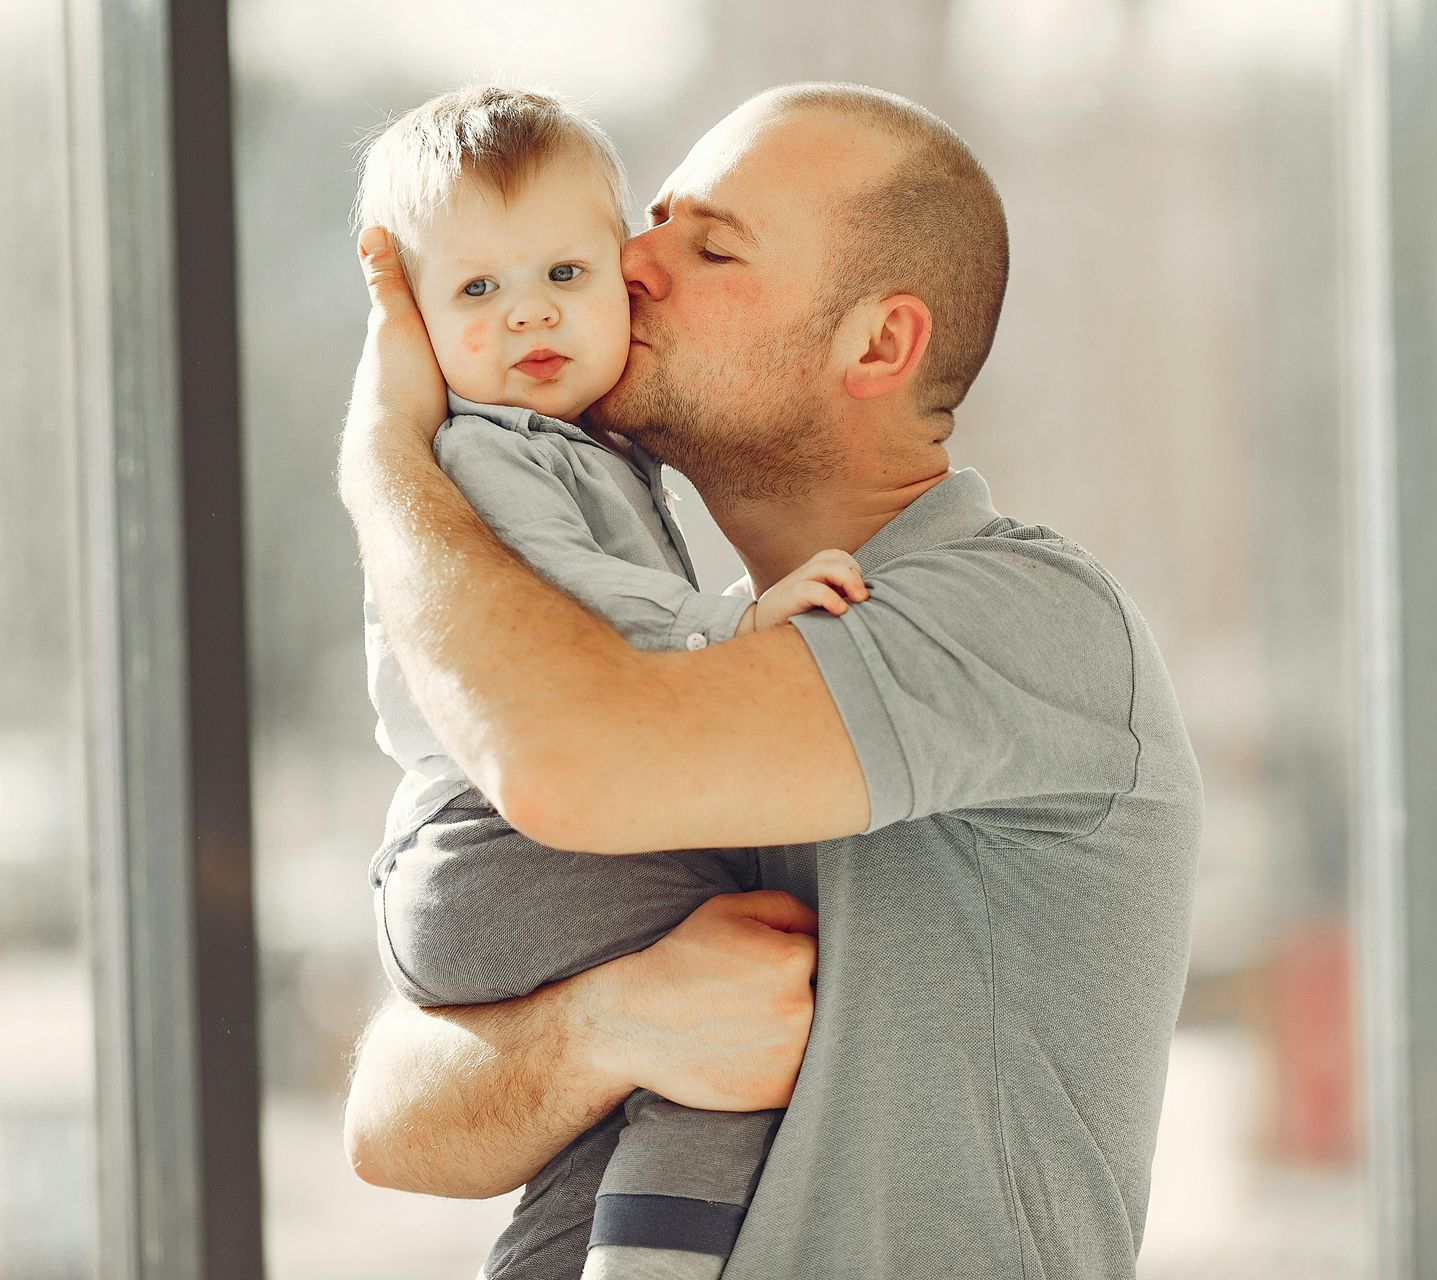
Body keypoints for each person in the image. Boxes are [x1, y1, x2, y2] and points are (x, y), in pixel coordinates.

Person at [339, 81, 1204, 1279]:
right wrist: (608, 1026)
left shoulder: (1025, 624)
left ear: (879, 344)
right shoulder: (698, 655)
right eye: (649, 220)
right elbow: (387, 1121)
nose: (630, 263)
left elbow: (555, 763)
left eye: (710, 245)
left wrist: (387, 452)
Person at [350, 84, 868, 1280]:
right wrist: (725, 622)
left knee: (607, 1121)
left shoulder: (589, 449)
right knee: (736, 1017)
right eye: (476, 290)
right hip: (500, 850)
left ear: (619, 272)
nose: (527, 313)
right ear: (413, 325)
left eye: (564, 275)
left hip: (501, 858)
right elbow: (560, 592)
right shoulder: (484, 454)